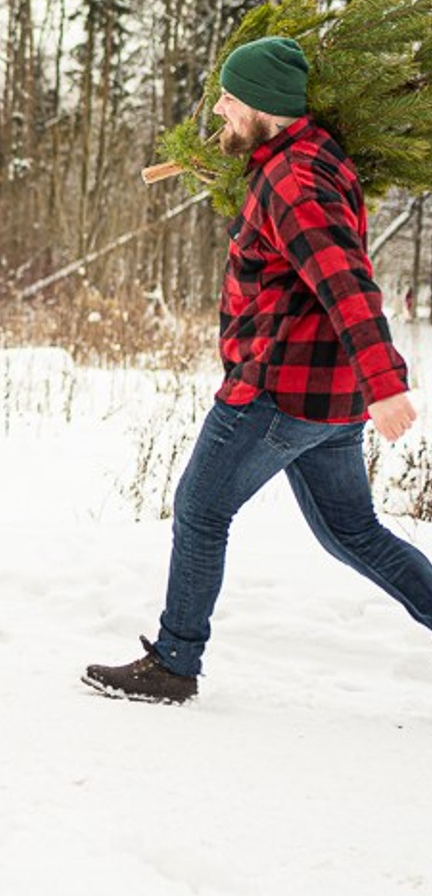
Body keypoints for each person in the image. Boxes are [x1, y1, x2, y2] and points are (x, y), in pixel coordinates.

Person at [84, 36, 432, 704]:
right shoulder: (310, 155)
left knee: (200, 508)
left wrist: (386, 383)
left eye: (230, 99)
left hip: (278, 389)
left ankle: (174, 663)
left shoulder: (292, 182)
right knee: (354, 534)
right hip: (325, 399)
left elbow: (346, 282)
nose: (219, 106)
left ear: (264, 108)